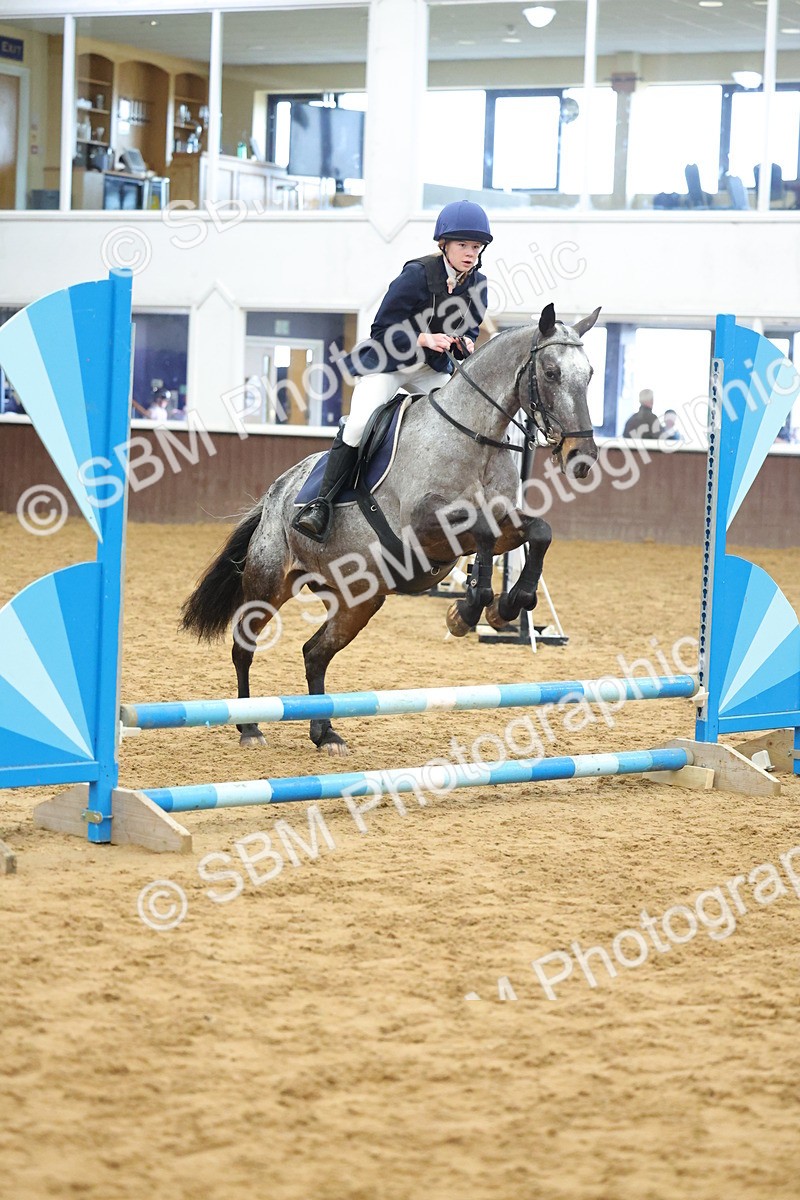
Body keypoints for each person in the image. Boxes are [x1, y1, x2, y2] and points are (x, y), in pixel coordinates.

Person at [293, 200, 492, 542]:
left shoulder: (478, 285)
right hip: (389, 364)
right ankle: (321, 505)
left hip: (430, 369)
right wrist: (424, 338)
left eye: (476, 247)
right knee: (358, 424)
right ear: (443, 244)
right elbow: (381, 329)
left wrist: (467, 342)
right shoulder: (417, 274)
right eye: (463, 245)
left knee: (459, 417)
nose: (470, 253)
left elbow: (470, 328)